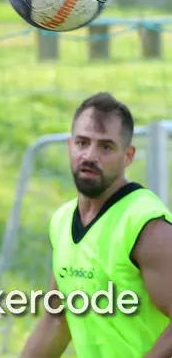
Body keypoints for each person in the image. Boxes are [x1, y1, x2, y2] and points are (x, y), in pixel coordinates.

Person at [18, 92, 172, 358]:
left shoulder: (147, 225)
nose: (90, 155)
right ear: (70, 146)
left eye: (106, 147)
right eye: (82, 143)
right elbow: (58, 320)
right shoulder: (62, 220)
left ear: (128, 156)